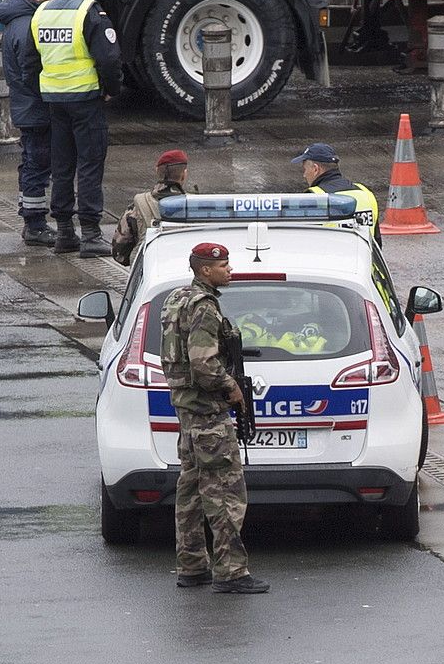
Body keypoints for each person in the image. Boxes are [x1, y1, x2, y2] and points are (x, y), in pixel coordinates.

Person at [159, 243, 269, 595]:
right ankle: (232, 572)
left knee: (190, 491)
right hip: (207, 412)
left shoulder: (177, 299)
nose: (229, 269)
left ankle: (191, 565)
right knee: (224, 492)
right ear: (205, 270)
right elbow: (204, 364)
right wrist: (231, 388)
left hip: (188, 412)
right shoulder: (204, 308)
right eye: (223, 265)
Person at [24, 0, 123, 258]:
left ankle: (65, 233)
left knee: (62, 167)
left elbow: (29, 63)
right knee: (90, 166)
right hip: (86, 100)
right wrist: (111, 91)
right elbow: (108, 59)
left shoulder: (41, 12)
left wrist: (42, 92)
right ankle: (91, 235)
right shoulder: (90, 11)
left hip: (55, 102)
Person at [0, 0, 58, 247]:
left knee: (31, 163)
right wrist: (49, 96)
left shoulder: (18, 22)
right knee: (38, 165)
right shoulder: (28, 25)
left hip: (26, 107)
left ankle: (31, 219)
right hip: (35, 107)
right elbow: (29, 69)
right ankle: (35, 225)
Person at [291, 142, 381, 246]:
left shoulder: (315, 198)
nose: (304, 175)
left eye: (305, 169)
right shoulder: (365, 192)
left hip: (331, 260)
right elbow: (376, 243)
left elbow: (303, 242)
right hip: (362, 261)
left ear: (315, 169)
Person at [111, 149, 188, 266]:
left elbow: (119, 253)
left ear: (157, 171)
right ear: (184, 174)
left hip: (150, 271)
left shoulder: (138, 205)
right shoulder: (196, 206)